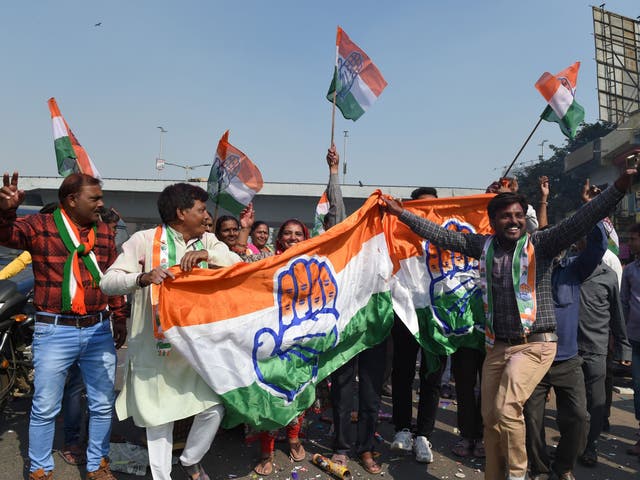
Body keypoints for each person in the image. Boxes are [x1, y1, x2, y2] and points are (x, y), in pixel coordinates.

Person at [380, 166, 635, 480]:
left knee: (507, 408)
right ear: (493, 222)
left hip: (535, 345)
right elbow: (442, 236)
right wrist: (401, 213)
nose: (513, 221)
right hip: (497, 347)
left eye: (518, 215)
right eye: (505, 216)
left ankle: (517, 474)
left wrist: (620, 187)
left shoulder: (541, 244)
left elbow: (581, 220)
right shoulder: (482, 247)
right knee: (490, 419)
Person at [100, 183, 241, 480]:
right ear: (181, 212)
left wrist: (207, 255)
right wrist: (141, 278)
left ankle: (190, 459)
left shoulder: (209, 241)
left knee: (214, 407)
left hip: (195, 350)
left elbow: (238, 267)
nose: (205, 216)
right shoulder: (143, 240)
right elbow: (107, 282)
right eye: (200, 209)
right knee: (158, 420)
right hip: (154, 348)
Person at [0, 172, 127, 480]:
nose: (101, 203)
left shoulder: (106, 232)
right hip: (55, 330)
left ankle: (97, 464)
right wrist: (6, 211)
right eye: (94, 198)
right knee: (45, 406)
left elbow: (113, 278)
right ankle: (40, 468)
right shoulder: (40, 226)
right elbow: (6, 235)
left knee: (101, 404)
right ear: (72, 200)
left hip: (98, 329)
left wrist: (119, 316)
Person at [524, 175, 605, 480]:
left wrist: (592, 207)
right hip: (533, 359)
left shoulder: (574, 270)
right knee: (531, 419)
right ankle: (541, 468)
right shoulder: (527, 275)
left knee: (579, 419)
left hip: (568, 360)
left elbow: (597, 246)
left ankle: (564, 467)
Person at [390, 186, 445, 464]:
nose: (426, 214)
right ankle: (402, 428)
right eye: (420, 209)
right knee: (402, 373)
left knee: (432, 375)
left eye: (431, 209)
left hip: (439, 315)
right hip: (406, 312)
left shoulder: (448, 238)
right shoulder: (399, 237)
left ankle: (424, 434)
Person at [577, 236, 631, 467]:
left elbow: (618, 316)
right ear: (578, 244)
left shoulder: (608, 277)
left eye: (595, 243)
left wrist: (623, 350)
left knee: (596, 402)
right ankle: (573, 446)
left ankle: (591, 447)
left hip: (597, 350)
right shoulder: (567, 271)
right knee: (573, 406)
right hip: (568, 350)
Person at [620, 222, 640, 457]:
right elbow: (623, 303)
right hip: (635, 339)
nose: (630, 243)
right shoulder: (630, 270)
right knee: (638, 388)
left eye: (634, 239)